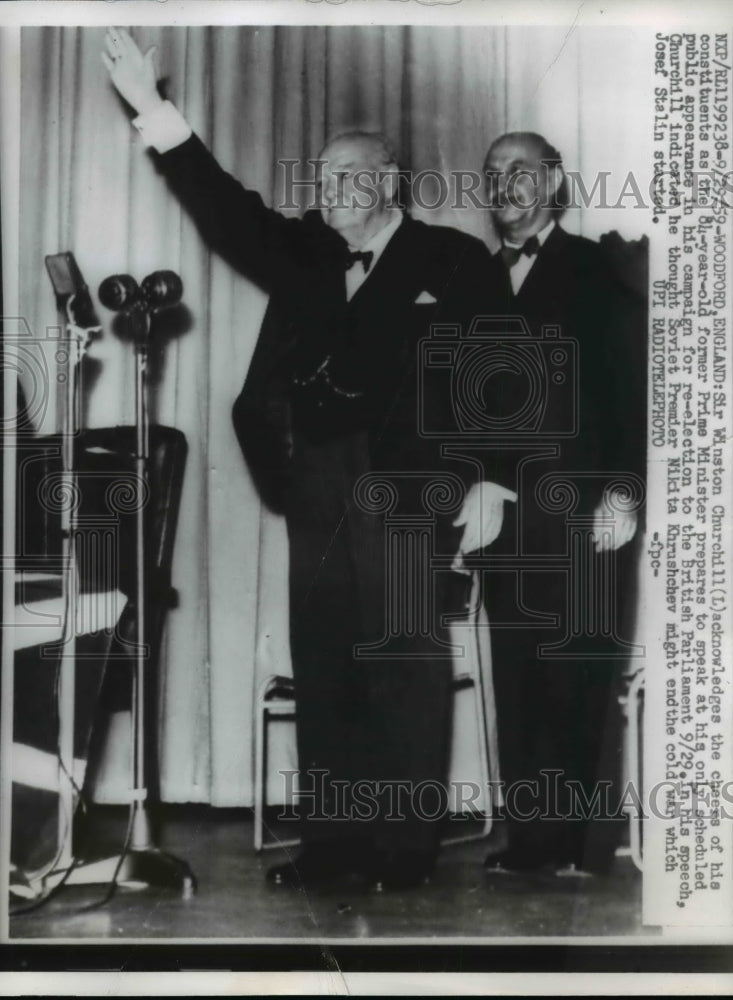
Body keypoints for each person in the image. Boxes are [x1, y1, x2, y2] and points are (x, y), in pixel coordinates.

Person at [101, 29, 501, 892]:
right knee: (327, 662)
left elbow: (496, 377)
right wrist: (155, 112)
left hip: (406, 483)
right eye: (320, 182)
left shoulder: (453, 259)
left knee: (402, 660)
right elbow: (229, 209)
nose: (330, 194)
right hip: (317, 477)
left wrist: (490, 478)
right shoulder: (310, 252)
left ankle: (401, 852)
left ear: (389, 181)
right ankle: (336, 845)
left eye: (347, 179)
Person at [452, 131, 647, 878]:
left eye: (522, 171)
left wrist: (624, 497)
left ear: (554, 181)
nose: (507, 184)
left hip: (584, 512)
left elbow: (631, 399)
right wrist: (472, 485)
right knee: (522, 677)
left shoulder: (598, 269)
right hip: (504, 518)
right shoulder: (475, 280)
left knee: (584, 679)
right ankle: (533, 843)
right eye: (494, 171)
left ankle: (586, 849)